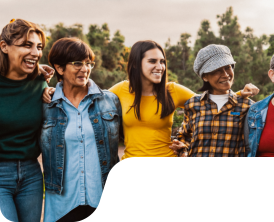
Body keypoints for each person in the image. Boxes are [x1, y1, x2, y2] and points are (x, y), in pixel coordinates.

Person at [109, 41, 258, 159]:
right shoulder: (121, 90)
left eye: (162, 61)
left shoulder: (172, 91)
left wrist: (239, 94)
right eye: (152, 61)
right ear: (135, 63)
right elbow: (94, 104)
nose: (159, 67)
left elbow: (207, 105)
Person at [41, 37, 122, 222]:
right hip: (62, 204)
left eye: (88, 63)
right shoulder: (46, 104)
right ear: (60, 68)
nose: (85, 69)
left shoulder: (110, 101)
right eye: (77, 63)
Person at [0, 19, 54, 222]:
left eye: (38, 47)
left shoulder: (39, 81)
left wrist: (49, 92)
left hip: (31, 174)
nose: (36, 52)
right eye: (26, 45)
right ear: (4, 46)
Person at [173, 44, 255, 157]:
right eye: (217, 70)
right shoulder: (193, 104)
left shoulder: (246, 106)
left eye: (228, 67)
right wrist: (182, 150)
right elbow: (184, 137)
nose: (226, 75)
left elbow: (254, 144)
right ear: (205, 77)